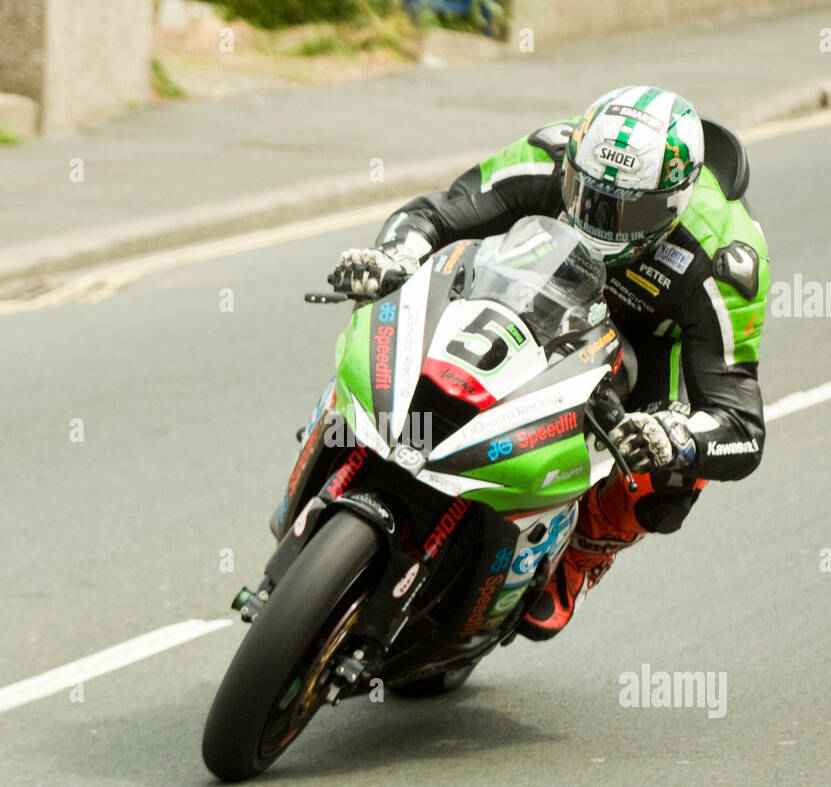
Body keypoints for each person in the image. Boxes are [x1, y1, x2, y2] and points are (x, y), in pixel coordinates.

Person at [328, 86, 769, 640]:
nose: (596, 218)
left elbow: (742, 425)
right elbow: (439, 213)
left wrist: (674, 435)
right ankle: (345, 432)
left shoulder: (724, 258)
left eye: (623, 211)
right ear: (574, 164)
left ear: (672, 207)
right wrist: (394, 256)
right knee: (406, 301)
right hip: (540, 275)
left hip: (648, 339)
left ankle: (580, 553)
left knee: (670, 481)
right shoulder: (550, 154)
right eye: (585, 194)